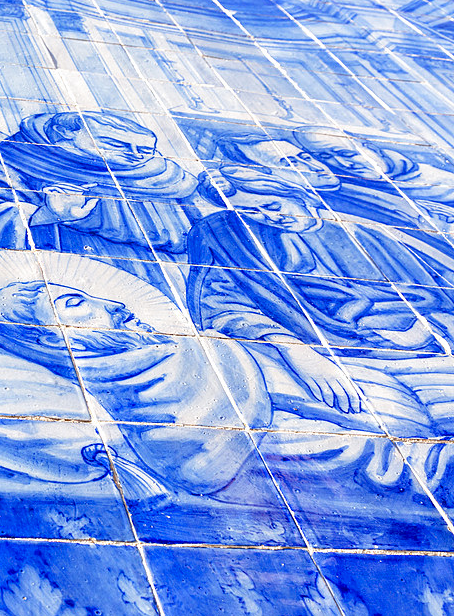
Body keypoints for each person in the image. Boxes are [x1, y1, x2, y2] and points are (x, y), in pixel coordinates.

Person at [0, 277, 270, 498]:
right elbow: (200, 466)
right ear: (51, 341)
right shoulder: (142, 410)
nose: (114, 303)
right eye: (75, 304)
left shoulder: (201, 351)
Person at [188, 165, 454, 439]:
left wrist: (426, 328)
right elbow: (221, 304)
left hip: (414, 346)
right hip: (330, 359)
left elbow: (433, 294)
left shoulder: (366, 234)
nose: (270, 217)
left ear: (296, 195)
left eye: (272, 204)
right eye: (251, 212)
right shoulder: (235, 241)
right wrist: (296, 350)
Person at [0, 112, 199, 292]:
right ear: (64, 135)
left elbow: (183, 234)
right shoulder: (19, 158)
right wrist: (39, 216)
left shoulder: (161, 179)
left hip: (149, 281)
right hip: (53, 285)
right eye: (118, 144)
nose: (136, 155)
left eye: (144, 149)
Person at [216, 131, 428, 229]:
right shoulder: (312, 212)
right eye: (291, 164)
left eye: (306, 157)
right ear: (270, 176)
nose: (315, 167)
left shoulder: (356, 188)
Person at [293, 126, 454, 226]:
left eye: (346, 154)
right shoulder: (344, 187)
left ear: (370, 148)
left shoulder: (440, 180)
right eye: (326, 158)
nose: (345, 164)